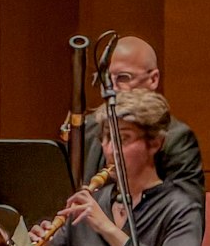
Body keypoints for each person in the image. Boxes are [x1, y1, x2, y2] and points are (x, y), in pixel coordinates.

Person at [39, 89, 202, 246]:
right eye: (106, 139)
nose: (111, 150)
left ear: (155, 143)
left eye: (123, 139)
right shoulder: (89, 205)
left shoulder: (181, 208)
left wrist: (110, 231)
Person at [80, 36, 201, 190]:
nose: (113, 89)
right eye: (107, 79)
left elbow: (186, 209)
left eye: (123, 78)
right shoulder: (88, 128)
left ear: (153, 80)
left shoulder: (176, 138)